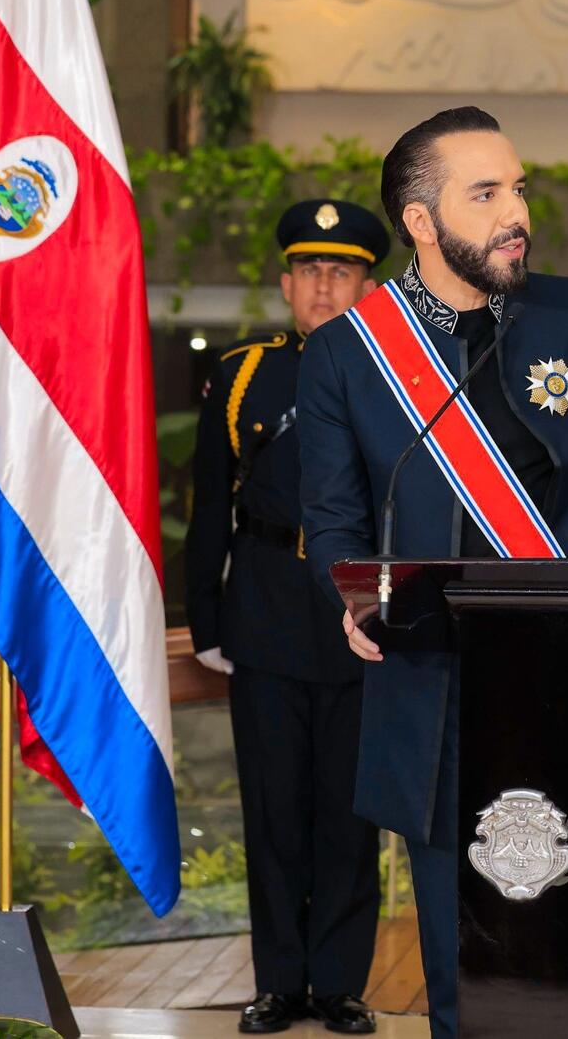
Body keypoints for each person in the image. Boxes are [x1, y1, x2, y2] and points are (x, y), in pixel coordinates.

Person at [297, 106, 568, 1039]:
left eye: (518, 189)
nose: (517, 212)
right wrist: (349, 602)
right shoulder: (350, 351)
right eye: (486, 193)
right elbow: (334, 521)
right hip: (435, 686)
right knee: (458, 952)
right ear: (422, 222)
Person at [185, 198, 393, 1036]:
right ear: (286, 281)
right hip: (266, 606)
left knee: (350, 810)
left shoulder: (398, 376)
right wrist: (206, 620)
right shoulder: (242, 373)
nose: (325, 283)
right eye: (311, 268)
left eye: (342, 270)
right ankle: (278, 983)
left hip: (360, 612)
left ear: (368, 285)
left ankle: (339, 985)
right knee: (273, 810)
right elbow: (209, 507)